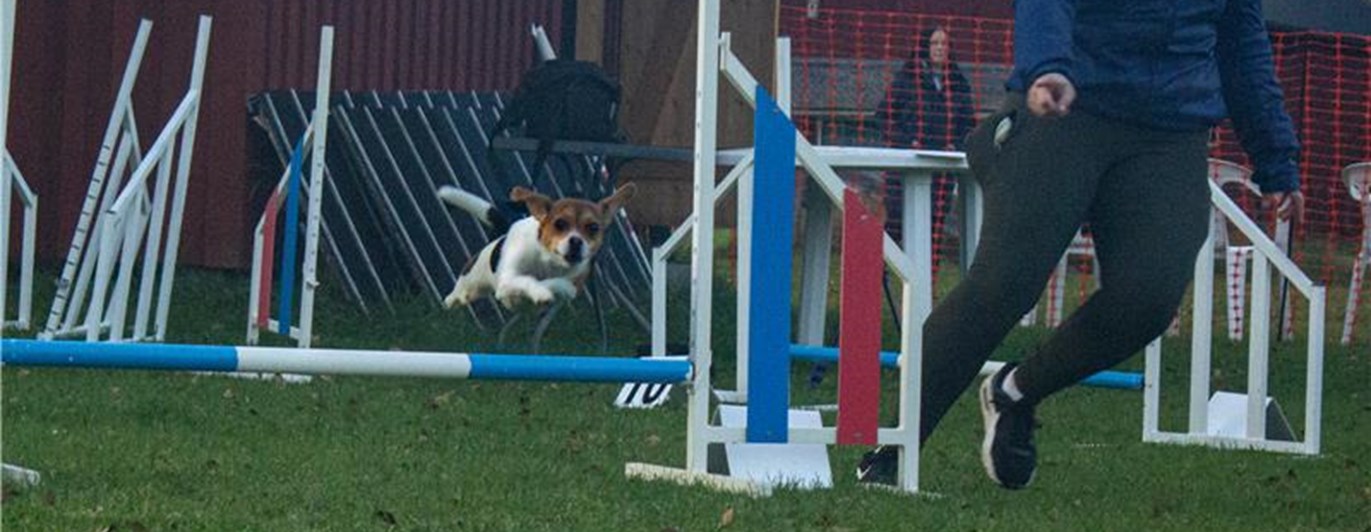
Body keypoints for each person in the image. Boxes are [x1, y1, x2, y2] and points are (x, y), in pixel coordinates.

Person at [858, 0, 1304, 489]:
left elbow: (1244, 46)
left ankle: (1015, 392)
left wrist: (1275, 156)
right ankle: (892, 449)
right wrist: (1048, 66)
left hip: (1171, 130)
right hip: (1066, 104)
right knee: (1005, 284)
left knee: (1149, 299)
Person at [873, 26, 975, 249]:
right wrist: (906, 143)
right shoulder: (906, 81)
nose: (939, 48)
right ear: (924, 47)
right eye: (934, 43)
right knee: (898, 221)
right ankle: (883, 272)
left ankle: (923, 279)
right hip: (904, 167)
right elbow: (884, 117)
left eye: (944, 44)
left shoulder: (958, 85)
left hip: (942, 168)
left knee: (931, 227)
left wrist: (955, 145)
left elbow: (968, 125)